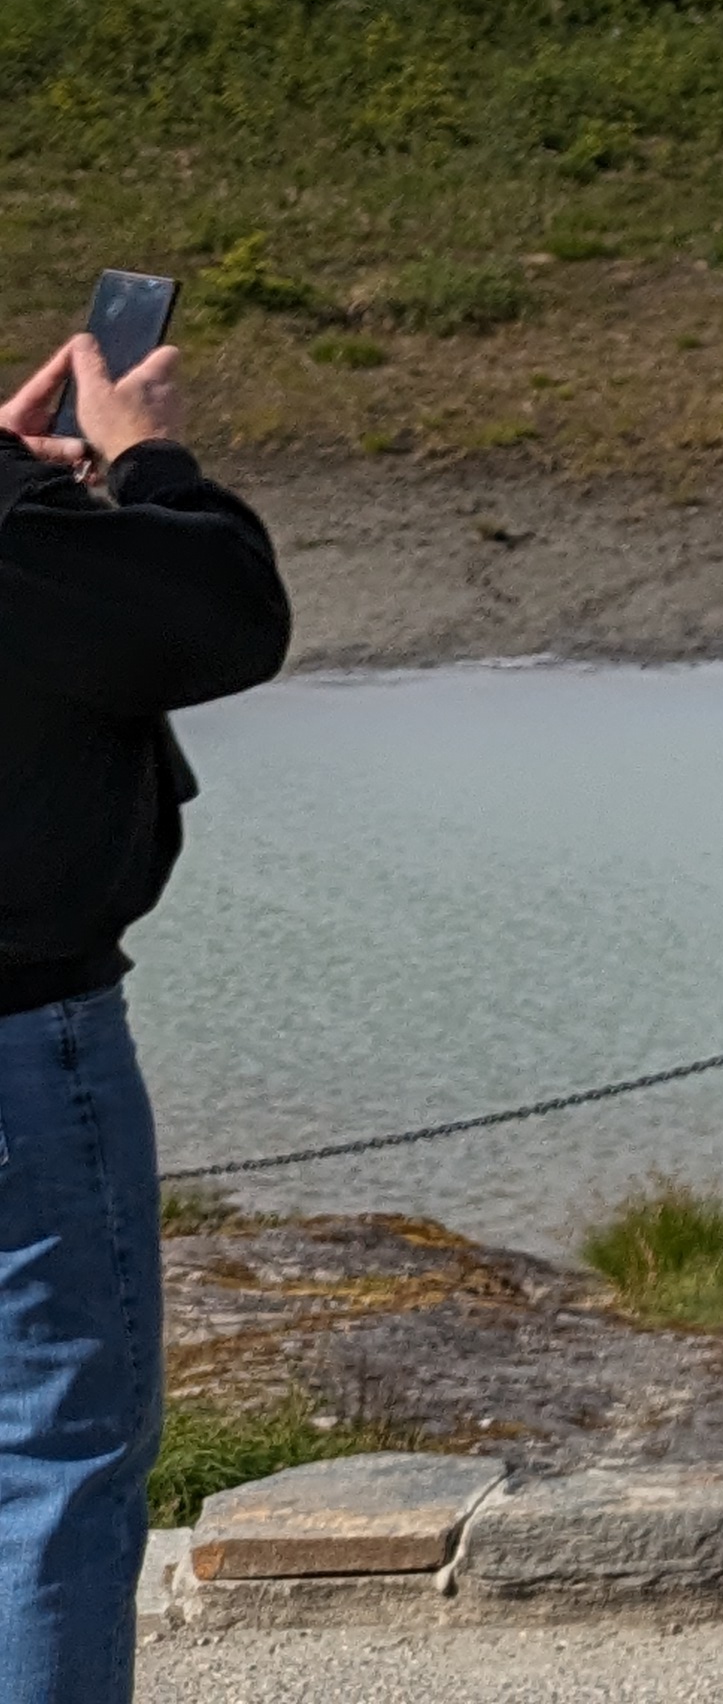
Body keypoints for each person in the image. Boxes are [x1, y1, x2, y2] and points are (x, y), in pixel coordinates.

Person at [0, 316, 287, 1704]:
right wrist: (149, 455)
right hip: (20, 1034)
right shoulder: (24, 540)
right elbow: (227, 609)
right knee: (56, 1450)